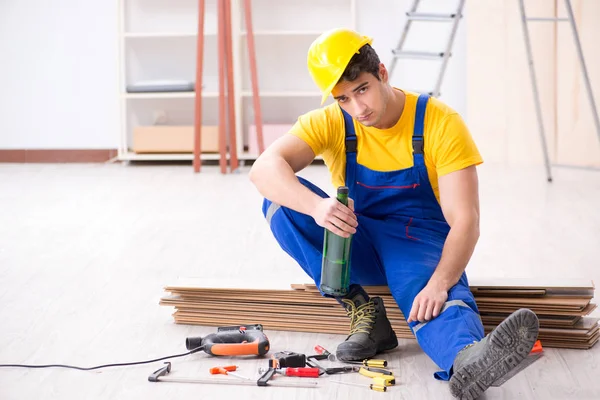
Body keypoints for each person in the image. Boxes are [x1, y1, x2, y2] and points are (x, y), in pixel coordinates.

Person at [249, 28, 539, 399]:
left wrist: (439, 281)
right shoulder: (332, 121)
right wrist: (317, 207)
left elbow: (466, 220)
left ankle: (467, 360)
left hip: (418, 240)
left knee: (432, 297)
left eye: (363, 90)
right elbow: (263, 169)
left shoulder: (440, 122)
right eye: (343, 99)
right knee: (279, 203)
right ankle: (364, 311)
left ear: (382, 73)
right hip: (358, 236)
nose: (358, 109)